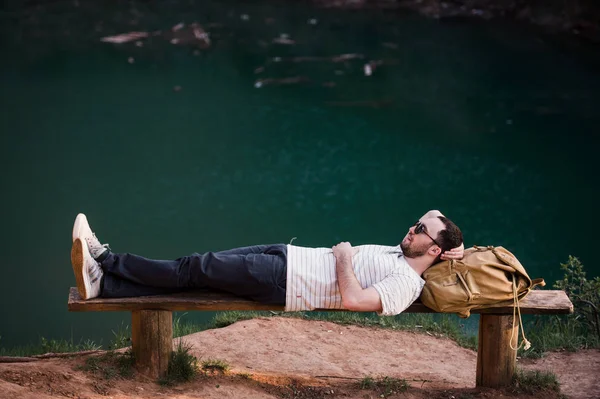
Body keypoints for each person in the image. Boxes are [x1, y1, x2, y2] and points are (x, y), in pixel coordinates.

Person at [71, 210, 464, 316]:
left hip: (285, 281)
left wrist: (344, 258)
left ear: (432, 250)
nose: (411, 229)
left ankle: (106, 259)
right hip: (287, 256)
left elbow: (355, 302)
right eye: (415, 224)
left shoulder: (405, 282)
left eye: (419, 231)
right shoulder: (407, 250)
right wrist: (458, 248)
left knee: (194, 268)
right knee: (197, 273)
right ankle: (107, 285)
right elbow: (436, 213)